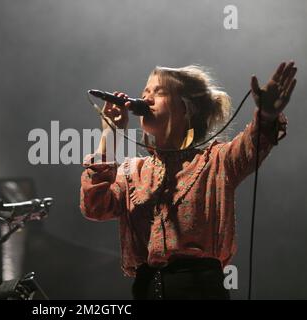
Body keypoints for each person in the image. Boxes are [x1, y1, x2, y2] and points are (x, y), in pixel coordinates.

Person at [80, 61, 297, 299]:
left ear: (186, 108)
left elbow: (253, 144)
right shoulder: (133, 171)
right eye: (145, 93)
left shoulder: (216, 161)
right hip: (146, 289)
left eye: (158, 91)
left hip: (198, 290)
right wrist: (110, 135)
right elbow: (95, 208)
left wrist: (267, 114)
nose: (146, 97)